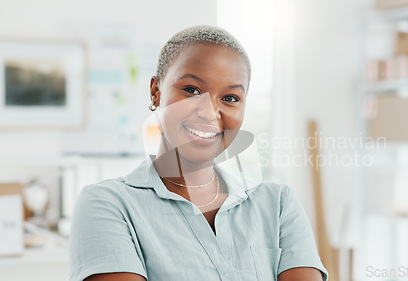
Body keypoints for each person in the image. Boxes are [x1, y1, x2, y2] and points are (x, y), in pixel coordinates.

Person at [69, 25, 328, 281]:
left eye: (230, 98)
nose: (209, 111)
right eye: (192, 90)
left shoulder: (278, 205)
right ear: (156, 92)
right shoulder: (109, 205)